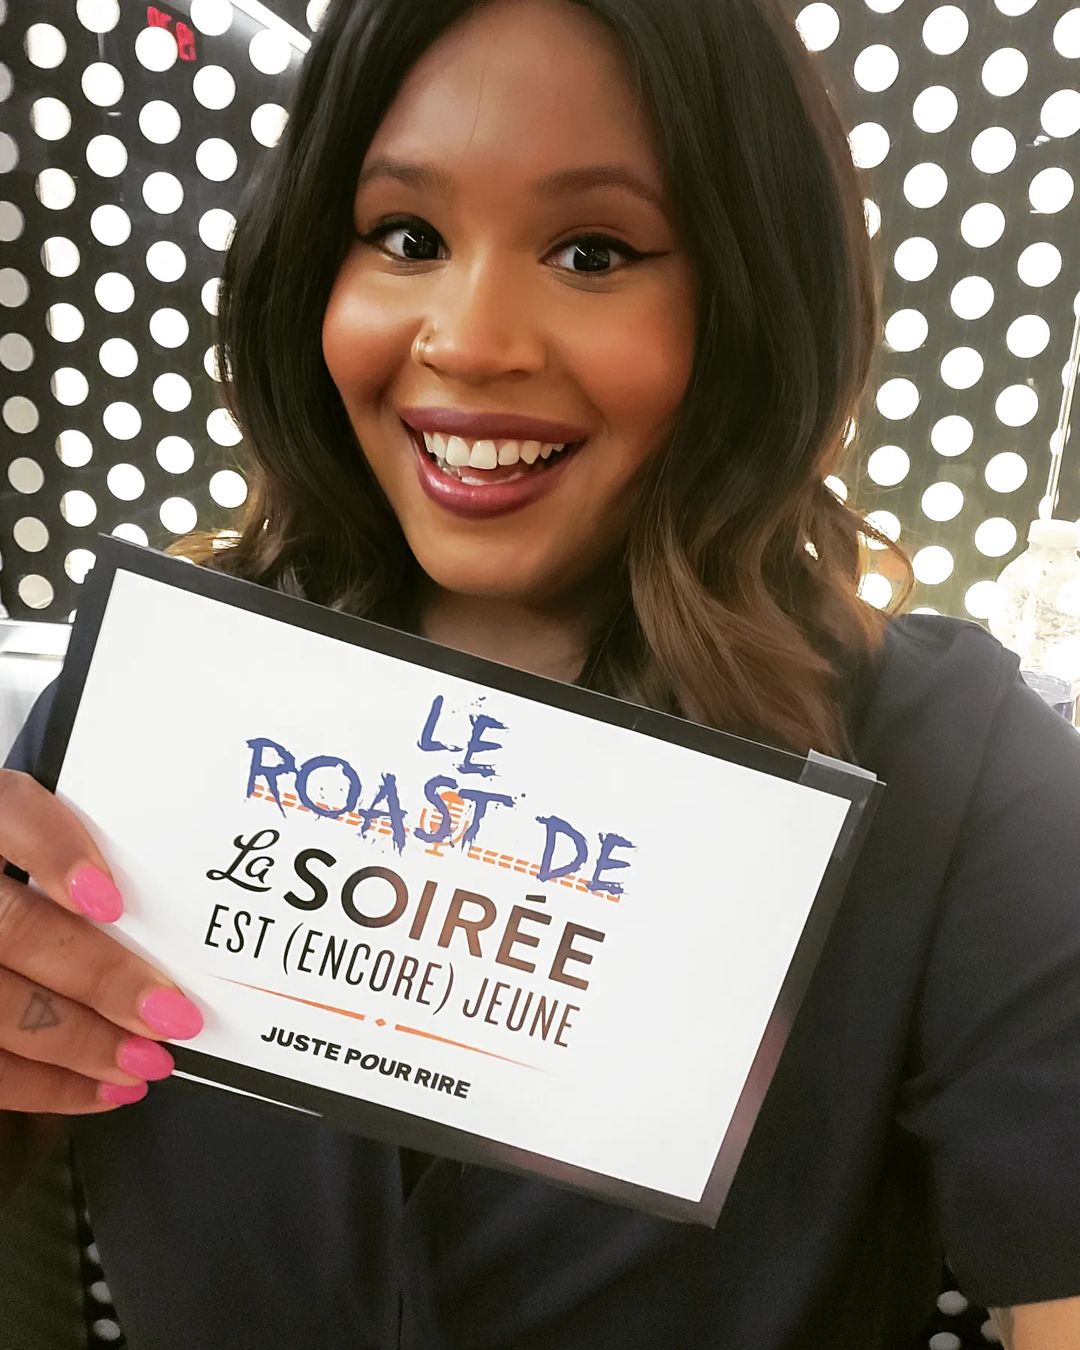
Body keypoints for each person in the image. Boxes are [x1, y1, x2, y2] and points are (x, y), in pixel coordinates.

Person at [2, 0, 1080, 1345]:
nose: (469, 339)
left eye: (592, 251)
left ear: (753, 296)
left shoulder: (965, 775)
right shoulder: (142, 711)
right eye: (407, 237)